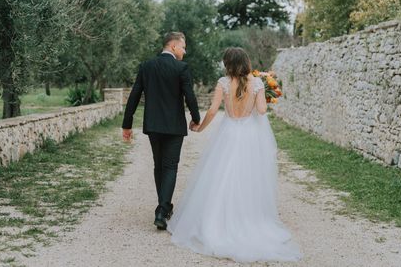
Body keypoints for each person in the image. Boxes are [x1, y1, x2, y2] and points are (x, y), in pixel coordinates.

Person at [166, 47, 303, 263]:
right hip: (248, 136)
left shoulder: (223, 82)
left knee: (220, 175)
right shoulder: (257, 83)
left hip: (228, 134)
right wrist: (261, 92)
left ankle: (216, 221)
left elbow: (212, 111)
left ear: (228, 63)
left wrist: (200, 128)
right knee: (247, 177)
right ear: (246, 62)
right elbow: (261, 111)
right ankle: (247, 218)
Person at [122, 32, 201, 230]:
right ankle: (161, 210)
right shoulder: (181, 68)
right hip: (174, 126)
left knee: (159, 166)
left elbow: (134, 96)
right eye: (183, 47)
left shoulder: (146, 66)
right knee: (171, 167)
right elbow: (189, 96)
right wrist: (196, 118)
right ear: (173, 46)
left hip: (154, 126)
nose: (185, 51)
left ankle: (164, 208)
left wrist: (127, 124)